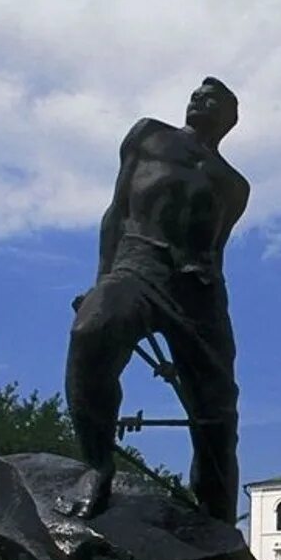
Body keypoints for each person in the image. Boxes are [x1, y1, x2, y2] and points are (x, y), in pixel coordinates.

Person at [61, 77, 251, 522]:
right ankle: (97, 465)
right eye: (195, 94)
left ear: (230, 118)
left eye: (212, 98)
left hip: (199, 290)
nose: (197, 100)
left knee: (217, 411)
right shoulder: (149, 135)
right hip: (138, 265)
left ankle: (217, 516)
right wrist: (100, 281)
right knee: (91, 332)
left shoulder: (234, 185)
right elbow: (116, 212)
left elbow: (217, 245)